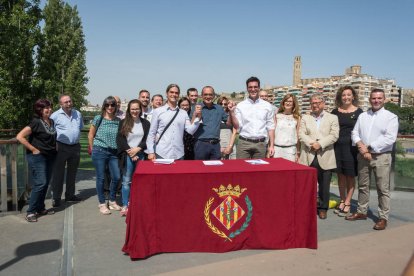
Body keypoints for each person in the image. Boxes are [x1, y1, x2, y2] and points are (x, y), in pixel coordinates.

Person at [346, 89, 398, 230]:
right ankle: (362, 212)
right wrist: (361, 146)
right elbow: (355, 132)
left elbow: (390, 138)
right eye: (374, 98)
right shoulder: (363, 116)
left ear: (384, 99)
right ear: (370, 99)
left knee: (383, 188)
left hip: (381, 157)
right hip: (363, 155)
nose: (376, 100)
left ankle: (383, 217)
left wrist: (369, 148)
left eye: (379, 98)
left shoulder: (391, 117)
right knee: (363, 186)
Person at [299, 93, 339, 220]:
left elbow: (334, 135)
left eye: (317, 102)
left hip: (325, 155)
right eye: (313, 103)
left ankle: (322, 208)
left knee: (324, 184)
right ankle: (307, 207)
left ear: (323, 104)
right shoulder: (305, 118)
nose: (315, 105)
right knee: (306, 184)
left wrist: (320, 144)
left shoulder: (333, 118)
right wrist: (312, 144)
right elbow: (301, 134)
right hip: (308, 155)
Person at [16, 99, 57, 222]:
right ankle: (30, 211)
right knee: (41, 183)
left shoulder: (52, 121)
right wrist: (33, 149)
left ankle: (40, 207)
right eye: (46, 108)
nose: (49, 109)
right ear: (40, 110)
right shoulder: (36, 122)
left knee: (45, 183)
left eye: (50, 107)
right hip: (37, 157)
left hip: (50, 156)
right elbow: (20, 136)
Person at [331, 86, 363, 216]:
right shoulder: (334, 112)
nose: (346, 97)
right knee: (340, 175)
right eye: (343, 95)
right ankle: (342, 199)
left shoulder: (360, 112)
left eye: (348, 95)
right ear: (340, 97)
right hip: (337, 148)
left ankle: (348, 201)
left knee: (350, 176)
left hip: (352, 149)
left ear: (353, 96)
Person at [146, 84, 201, 160]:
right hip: (161, 153)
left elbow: (190, 130)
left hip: (179, 154)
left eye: (176, 93)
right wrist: (151, 151)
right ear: (166, 93)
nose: (174, 94)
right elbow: (152, 133)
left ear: (178, 95)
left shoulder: (183, 113)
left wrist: (198, 118)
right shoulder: (158, 111)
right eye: (171, 92)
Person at [88, 96, 122, 215]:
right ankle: (102, 203)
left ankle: (112, 200)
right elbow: (90, 135)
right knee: (101, 178)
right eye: (107, 105)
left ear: (115, 106)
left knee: (117, 177)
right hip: (100, 150)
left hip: (113, 152)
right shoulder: (98, 118)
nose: (110, 107)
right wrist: (93, 150)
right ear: (104, 106)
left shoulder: (118, 121)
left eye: (112, 105)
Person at [116, 99, 150, 216]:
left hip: (140, 154)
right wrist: (131, 152)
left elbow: (147, 140)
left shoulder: (145, 123)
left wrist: (138, 149)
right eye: (132, 109)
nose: (135, 111)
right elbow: (120, 139)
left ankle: (136, 204)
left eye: (137, 108)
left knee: (140, 181)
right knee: (126, 181)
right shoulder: (123, 122)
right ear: (129, 110)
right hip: (128, 154)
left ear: (140, 109)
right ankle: (125, 205)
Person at [50, 95, 83, 207]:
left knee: (72, 173)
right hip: (61, 147)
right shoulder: (55, 116)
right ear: (61, 104)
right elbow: (50, 132)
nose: (69, 104)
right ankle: (56, 198)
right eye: (66, 102)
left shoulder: (77, 114)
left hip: (75, 147)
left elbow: (80, 128)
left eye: (70, 101)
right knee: (58, 174)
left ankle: (70, 195)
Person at [193, 86, 238, 160]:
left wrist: (230, 112)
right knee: (200, 169)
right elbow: (191, 126)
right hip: (201, 144)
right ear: (201, 95)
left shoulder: (219, 108)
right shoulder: (196, 107)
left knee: (215, 169)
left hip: (215, 145)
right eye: (205, 94)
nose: (208, 96)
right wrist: (195, 115)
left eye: (210, 94)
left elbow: (229, 123)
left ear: (214, 96)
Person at [235, 76, 275, 159]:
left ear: (259, 88)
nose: (253, 89)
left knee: (259, 171)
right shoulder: (240, 106)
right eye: (250, 87)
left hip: (260, 144)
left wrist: (271, 145)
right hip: (244, 143)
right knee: (242, 170)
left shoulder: (267, 106)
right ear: (247, 88)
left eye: (255, 87)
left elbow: (270, 127)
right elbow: (237, 126)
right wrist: (231, 113)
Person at [273, 94, 300, 162]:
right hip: (277, 150)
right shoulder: (276, 116)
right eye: (286, 101)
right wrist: (270, 148)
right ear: (283, 102)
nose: (288, 103)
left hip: (290, 151)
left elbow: (297, 136)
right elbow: (272, 133)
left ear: (293, 103)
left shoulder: (297, 118)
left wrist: (298, 152)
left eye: (290, 101)